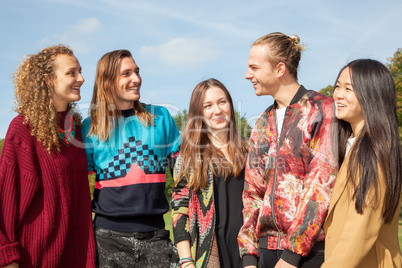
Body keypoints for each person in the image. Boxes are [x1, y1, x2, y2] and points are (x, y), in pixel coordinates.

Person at [238, 32, 337, 268]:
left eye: (254, 67)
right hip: (266, 251)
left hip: (309, 254)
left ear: (279, 69)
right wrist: (249, 256)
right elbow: (252, 192)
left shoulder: (322, 109)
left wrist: (292, 256)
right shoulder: (263, 121)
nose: (247, 75)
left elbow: (320, 186)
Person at [81, 49, 181, 267]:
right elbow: (76, 187)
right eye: (126, 74)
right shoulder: (89, 128)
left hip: (157, 238)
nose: (136, 79)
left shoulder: (161, 117)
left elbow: (183, 182)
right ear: (107, 82)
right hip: (106, 240)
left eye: (137, 72)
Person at [0, 45, 96, 267]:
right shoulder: (23, 129)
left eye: (80, 71)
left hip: (79, 257)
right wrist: (7, 258)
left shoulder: (78, 131)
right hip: (35, 259)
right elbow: (5, 204)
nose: (81, 78)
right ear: (49, 80)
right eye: (72, 72)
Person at [321, 59, 402, 267]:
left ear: (371, 95)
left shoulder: (375, 151)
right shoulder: (354, 147)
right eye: (338, 86)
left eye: (348, 88)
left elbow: (358, 233)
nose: (337, 94)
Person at [171, 78, 248, 268]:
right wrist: (186, 260)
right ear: (198, 113)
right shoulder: (188, 156)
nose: (217, 110)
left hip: (247, 253)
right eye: (208, 106)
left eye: (222, 102)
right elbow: (179, 210)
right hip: (208, 255)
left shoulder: (250, 151)